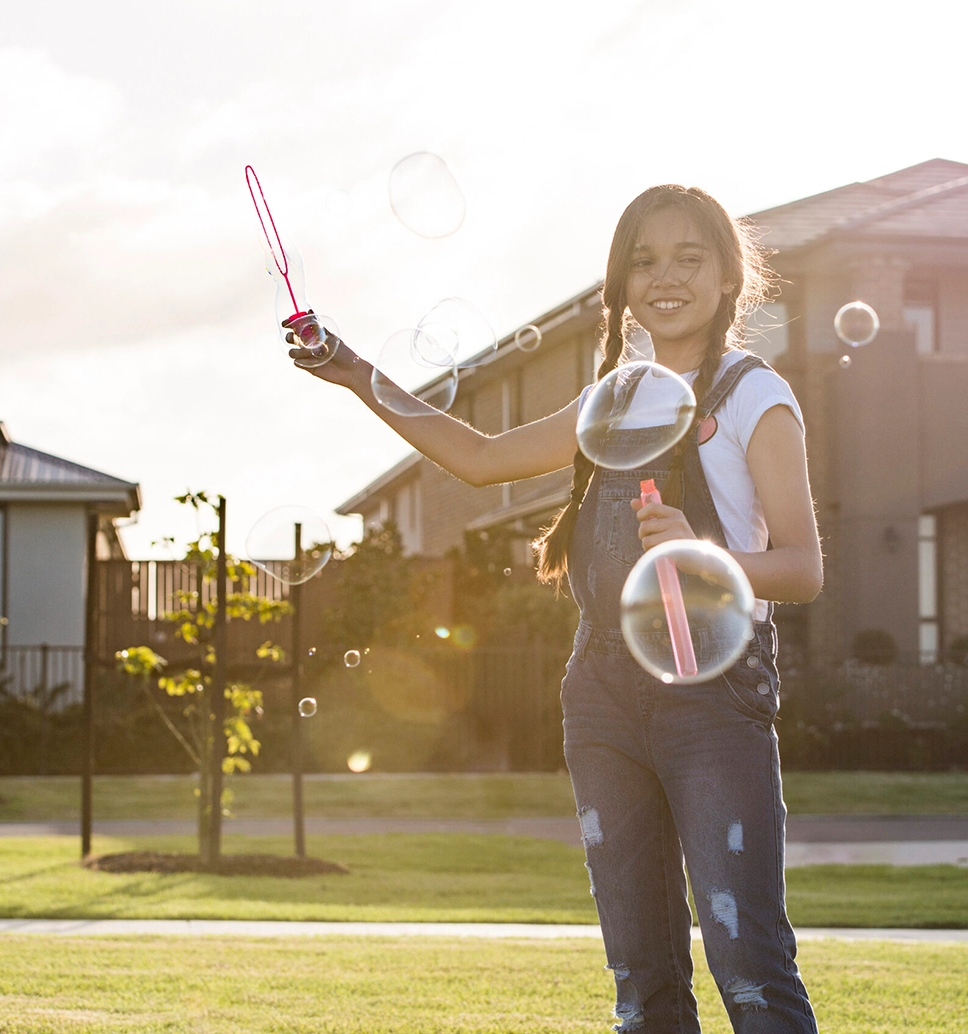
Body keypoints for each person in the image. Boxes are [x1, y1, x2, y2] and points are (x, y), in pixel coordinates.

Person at [288, 184, 822, 1034]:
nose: (666, 277)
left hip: (712, 694)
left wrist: (702, 554)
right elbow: (477, 455)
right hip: (602, 690)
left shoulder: (756, 396)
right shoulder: (612, 400)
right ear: (619, 285)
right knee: (641, 979)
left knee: (747, 959)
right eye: (643, 261)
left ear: (729, 279)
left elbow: (802, 567)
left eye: (690, 258)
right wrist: (352, 371)